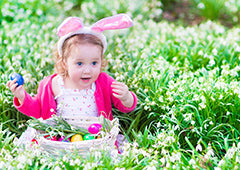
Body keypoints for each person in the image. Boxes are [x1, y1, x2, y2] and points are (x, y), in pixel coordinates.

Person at [7, 14, 137, 122]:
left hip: (95, 138)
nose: (87, 70)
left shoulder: (104, 82)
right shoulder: (52, 84)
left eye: (94, 63)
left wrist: (126, 97)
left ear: (101, 61)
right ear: (64, 63)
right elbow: (37, 110)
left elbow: (125, 107)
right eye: (79, 63)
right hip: (60, 138)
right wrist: (22, 97)